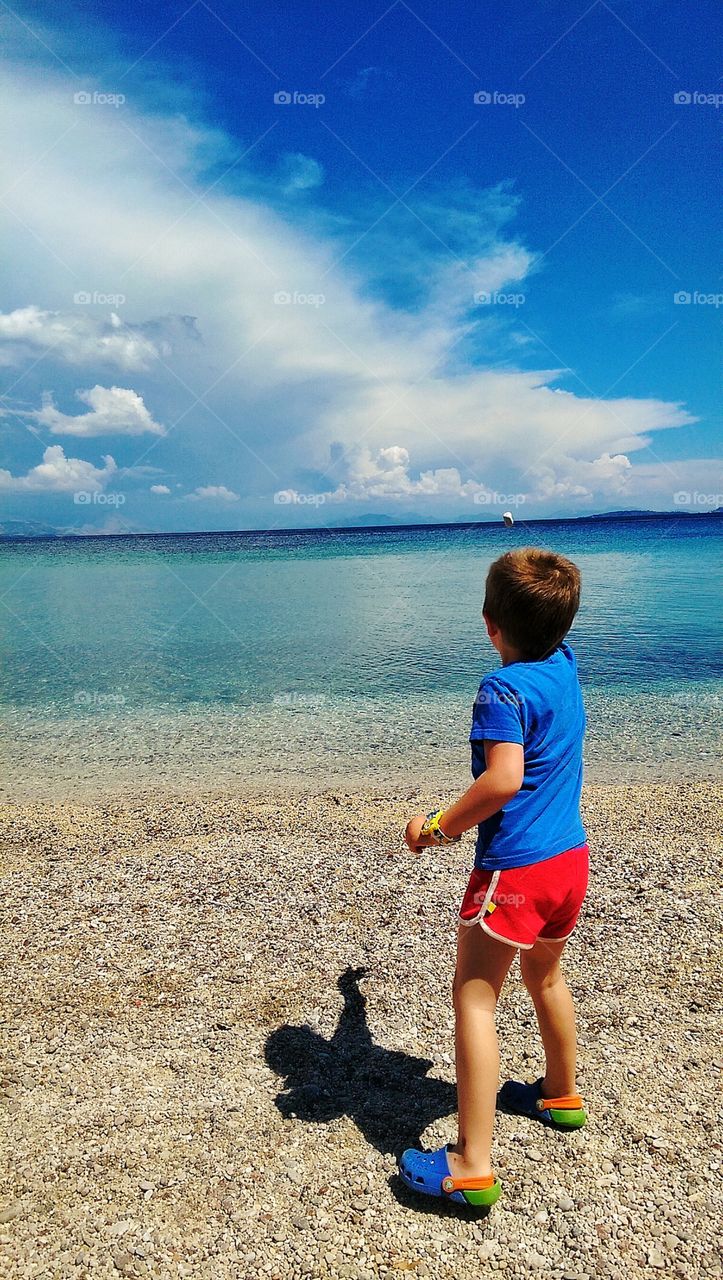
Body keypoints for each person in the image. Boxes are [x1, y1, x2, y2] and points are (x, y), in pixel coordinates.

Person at [399, 547, 589, 1209]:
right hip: (569, 862)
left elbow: (503, 779)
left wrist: (439, 826)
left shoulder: (500, 690)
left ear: (490, 625)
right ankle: (559, 1094)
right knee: (546, 977)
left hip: (516, 871)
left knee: (474, 1000)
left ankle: (470, 1164)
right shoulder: (565, 666)